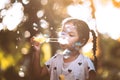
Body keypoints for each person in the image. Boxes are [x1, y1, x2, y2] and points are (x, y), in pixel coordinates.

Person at [31, 17, 97, 80]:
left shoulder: (86, 63)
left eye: (71, 35)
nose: (64, 37)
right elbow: (37, 75)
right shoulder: (55, 60)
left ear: (81, 42)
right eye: (63, 33)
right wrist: (37, 52)